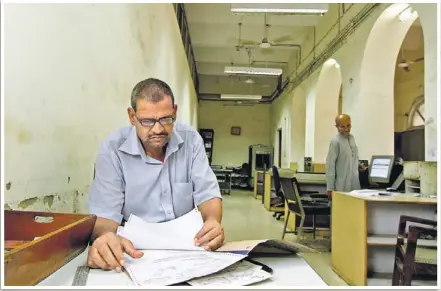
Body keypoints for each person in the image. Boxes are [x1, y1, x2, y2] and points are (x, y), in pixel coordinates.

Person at [86, 78, 223, 272]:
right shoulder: (113, 149)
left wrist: (212, 222)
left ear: (175, 112)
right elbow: (105, 217)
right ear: (132, 116)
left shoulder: (191, 140)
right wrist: (106, 239)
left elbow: (208, 194)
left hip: (188, 250)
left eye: (166, 119)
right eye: (147, 121)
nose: (158, 129)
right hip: (133, 254)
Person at [326, 114, 367, 198]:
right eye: (342, 126)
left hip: (354, 185)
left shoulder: (352, 138)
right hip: (341, 186)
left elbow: (352, 157)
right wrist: (330, 188)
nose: (346, 129)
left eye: (348, 125)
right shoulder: (335, 142)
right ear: (337, 126)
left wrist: (360, 166)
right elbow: (330, 166)